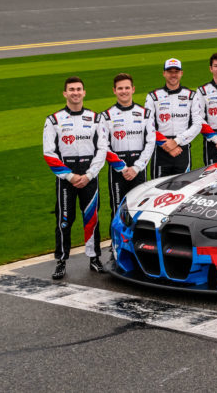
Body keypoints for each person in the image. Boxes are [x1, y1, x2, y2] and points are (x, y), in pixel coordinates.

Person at [43, 76, 107, 279]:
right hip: (66, 176)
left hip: (89, 173)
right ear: (65, 93)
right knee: (64, 220)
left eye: (79, 89)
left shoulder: (96, 118)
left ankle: (94, 258)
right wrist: (70, 176)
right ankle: (61, 260)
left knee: (91, 218)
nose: (75, 93)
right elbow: (49, 153)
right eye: (71, 89)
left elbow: (102, 149)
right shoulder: (53, 119)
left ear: (84, 92)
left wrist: (89, 174)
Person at [100, 73, 155, 221]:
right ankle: (117, 244)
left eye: (127, 88)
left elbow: (150, 142)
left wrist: (136, 167)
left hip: (138, 168)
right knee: (118, 209)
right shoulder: (106, 116)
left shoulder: (145, 114)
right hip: (118, 169)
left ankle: (137, 242)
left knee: (140, 209)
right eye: (120, 88)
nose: (124, 91)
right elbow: (104, 145)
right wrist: (123, 168)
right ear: (114, 90)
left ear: (133, 89)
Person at [146, 58, 202, 179]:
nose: (173, 74)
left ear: (181, 73)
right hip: (161, 151)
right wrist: (167, 145)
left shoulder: (191, 95)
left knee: (182, 191)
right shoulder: (153, 96)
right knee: (158, 191)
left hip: (182, 149)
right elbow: (148, 126)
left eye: (176, 71)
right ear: (164, 73)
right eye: (170, 71)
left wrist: (176, 142)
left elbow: (198, 125)